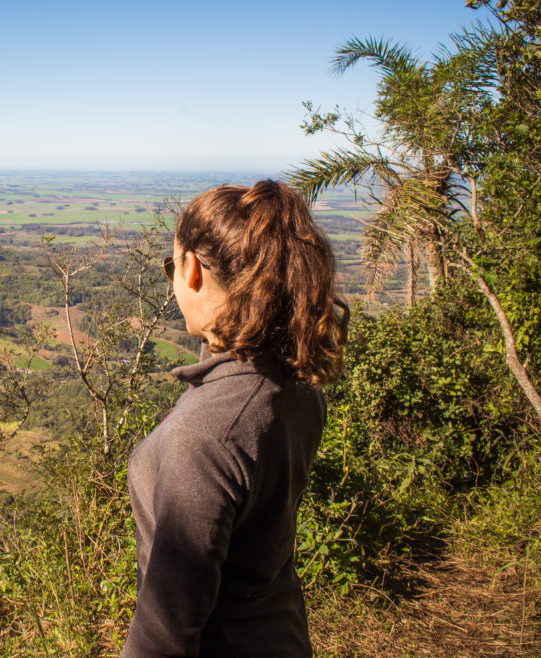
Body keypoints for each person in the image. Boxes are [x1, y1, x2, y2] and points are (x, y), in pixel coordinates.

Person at [121, 180, 349, 657]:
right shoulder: (293, 381)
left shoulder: (205, 435)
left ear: (195, 269)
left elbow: (166, 632)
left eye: (173, 266)